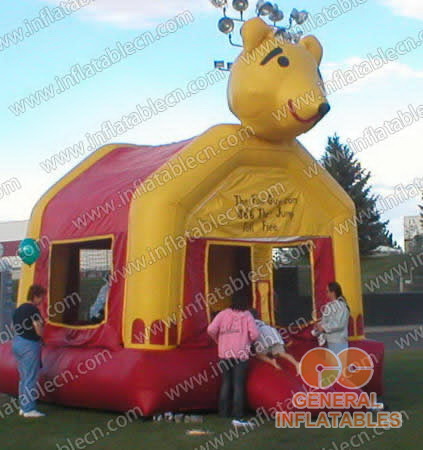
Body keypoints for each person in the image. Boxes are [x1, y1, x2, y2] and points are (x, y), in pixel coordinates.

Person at [207, 292, 259, 427]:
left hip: (224, 353)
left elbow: (211, 329)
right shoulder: (247, 316)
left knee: (226, 383)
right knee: (238, 384)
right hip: (241, 354)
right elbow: (255, 334)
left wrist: (218, 340)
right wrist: (248, 341)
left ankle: (223, 412)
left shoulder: (223, 314)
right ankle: (238, 413)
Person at [12, 284, 46, 418]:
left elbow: (14, 326)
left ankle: (23, 407)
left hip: (17, 342)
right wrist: (42, 336)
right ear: (35, 296)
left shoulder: (19, 309)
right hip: (29, 344)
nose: (42, 300)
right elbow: (38, 327)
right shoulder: (33, 310)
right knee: (31, 377)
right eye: (41, 297)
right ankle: (29, 409)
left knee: (24, 377)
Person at [250, 309, 299, 373]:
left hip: (261, 333)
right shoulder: (261, 322)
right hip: (272, 332)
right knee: (281, 353)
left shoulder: (250, 323)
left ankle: (272, 361)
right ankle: (296, 363)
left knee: (258, 354)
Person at [314, 282, 350, 354]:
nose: (326, 293)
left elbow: (339, 324)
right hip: (329, 340)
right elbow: (326, 320)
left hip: (338, 342)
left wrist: (323, 327)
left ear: (333, 292)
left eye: (327, 291)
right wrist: (319, 325)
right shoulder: (329, 305)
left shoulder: (341, 306)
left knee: (338, 361)